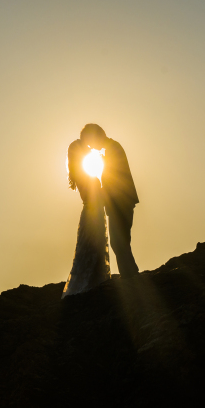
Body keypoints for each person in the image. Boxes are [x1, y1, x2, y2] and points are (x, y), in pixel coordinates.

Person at [62, 124, 140, 297]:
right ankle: (130, 275)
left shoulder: (113, 149)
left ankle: (131, 276)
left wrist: (103, 196)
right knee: (119, 242)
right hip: (116, 203)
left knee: (119, 242)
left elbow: (115, 180)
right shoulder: (110, 150)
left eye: (90, 142)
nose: (91, 147)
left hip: (121, 201)